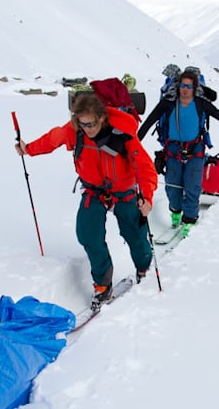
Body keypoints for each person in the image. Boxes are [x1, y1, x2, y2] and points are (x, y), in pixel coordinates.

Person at [15, 93, 157, 306]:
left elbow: (145, 167)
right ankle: (102, 283)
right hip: (94, 190)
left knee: (134, 231)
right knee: (87, 233)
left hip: (123, 190)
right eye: (82, 124)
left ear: (101, 118)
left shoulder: (123, 135)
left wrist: (146, 197)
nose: (87, 129)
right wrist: (29, 149)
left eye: (91, 124)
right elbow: (54, 138)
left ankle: (144, 267)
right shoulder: (77, 132)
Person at [138, 68, 219, 237]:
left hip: (196, 149)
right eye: (182, 85)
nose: (185, 89)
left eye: (189, 86)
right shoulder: (168, 103)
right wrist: (135, 142)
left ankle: (189, 220)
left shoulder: (200, 102)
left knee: (193, 187)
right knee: (173, 186)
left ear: (194, 87)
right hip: (173, 150)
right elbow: (149, 121)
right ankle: (175, 213)